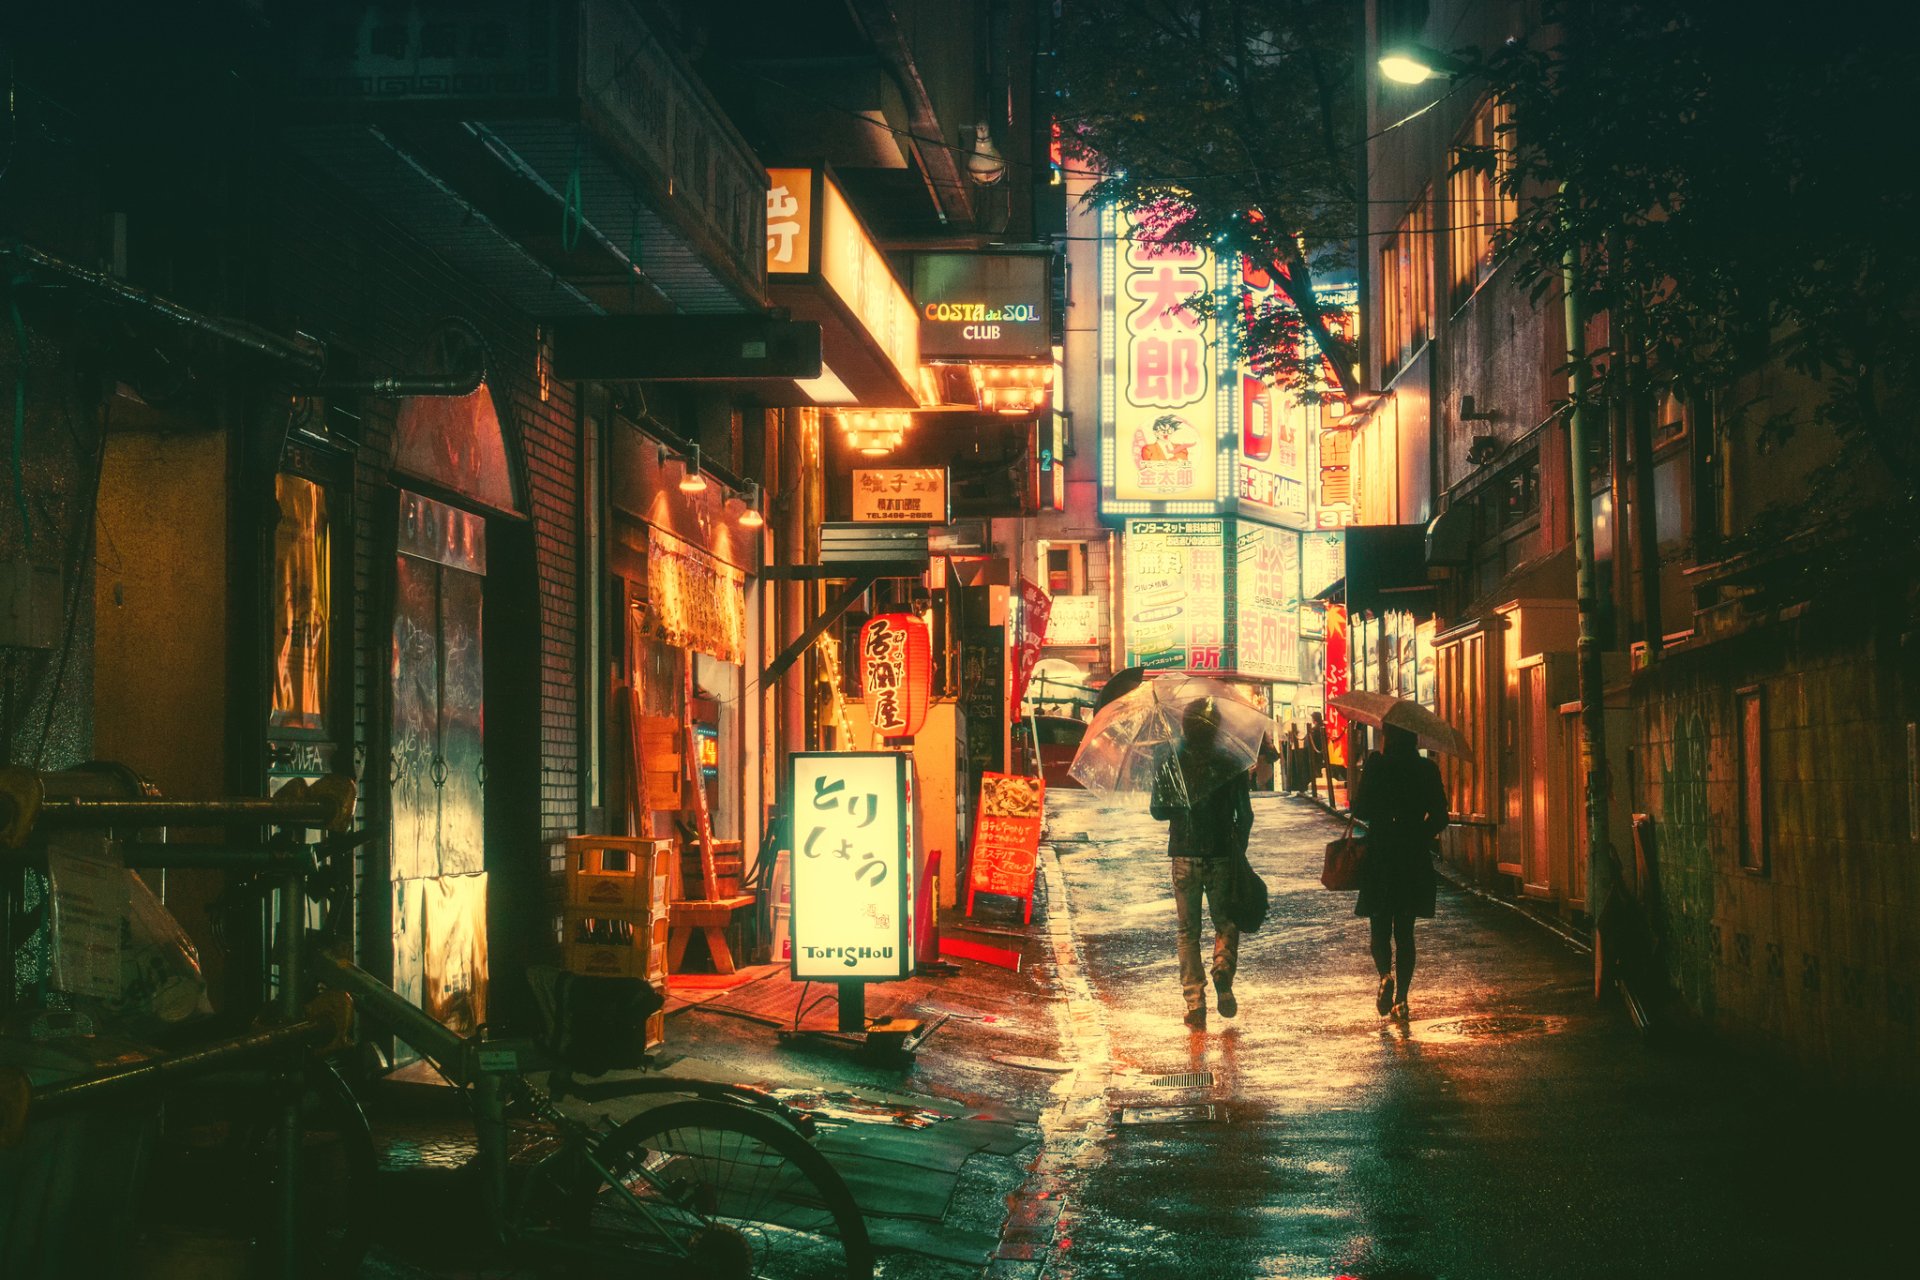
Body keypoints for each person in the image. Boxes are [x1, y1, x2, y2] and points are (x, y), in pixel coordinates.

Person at [1150, 700, 1254, 1030]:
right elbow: (1246, 814)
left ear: (1185, 725)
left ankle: (1195, 1004)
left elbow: (1158, 811)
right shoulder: (1231, 761)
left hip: (1184, 852)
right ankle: (1222, 968)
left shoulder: (1172, 760)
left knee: (1187, 932)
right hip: (1223, 851)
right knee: (1225, 923)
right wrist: (1240, 845)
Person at [1350, 724, 1451, 1021]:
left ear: (1388, 738)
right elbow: (1441, 816)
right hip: (1412, 856)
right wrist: (1420, 834)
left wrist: (1369, 776)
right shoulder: (1426, 769)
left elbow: (1361, 810)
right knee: (1405, 932)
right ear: (1415, 737)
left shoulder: (1377, 765)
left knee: (1379, 927)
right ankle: (1402, 1000)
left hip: (1381, 853)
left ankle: (1384, 976)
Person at [1306, 712, 1329, 802]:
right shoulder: (1323, 727)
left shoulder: (1314, 729)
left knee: (1316, 769)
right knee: (1319, 768)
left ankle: (1316, 790)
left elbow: (1311, 742)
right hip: (1322, 751)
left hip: (1315, 752)